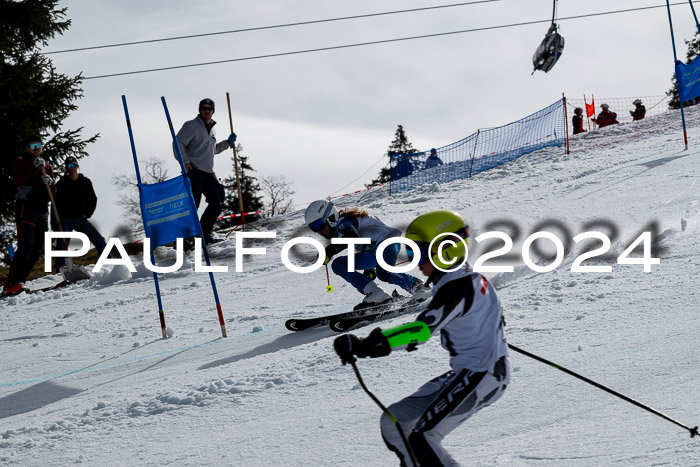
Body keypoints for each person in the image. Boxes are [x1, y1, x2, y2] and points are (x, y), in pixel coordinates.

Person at [333, 210, 510, 466]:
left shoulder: (456, 288)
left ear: (444, 249)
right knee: (395, 422)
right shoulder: (461, 279)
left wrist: (368, 344)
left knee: (423, 437)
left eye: (420, 250)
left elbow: (421, 331)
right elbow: (491, 314)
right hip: (468, 373)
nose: (416, 260)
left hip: (483, 375)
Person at [305, 200, 429, 309]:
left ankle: (419, 287)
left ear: (331, 218)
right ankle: (376, 293)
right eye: (313, 228)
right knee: (339, 264)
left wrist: (330, 250)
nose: (318, 231)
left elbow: (352, 237)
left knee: (384, 273)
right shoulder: (338, 230)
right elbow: (366, 242)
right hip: (375, 251)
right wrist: (369, 268)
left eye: (319, 225)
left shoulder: (345, 222)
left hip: (387, 244)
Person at [174, 98, 237, 244]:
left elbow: (211, 150)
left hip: (208, 172)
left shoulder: (212, 129)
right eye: (204, 108)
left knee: (218, 200)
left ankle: (203, 235)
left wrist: (227, 143)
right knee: (192, 206)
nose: (206, 111)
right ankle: (182, 241)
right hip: (194, 170)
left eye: (209, 108)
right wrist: (185, 162)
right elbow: (178, 143)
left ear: (213, 111)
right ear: (199, 110)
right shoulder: (191, 125)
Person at [3, 135, 57, 296]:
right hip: (26, 206)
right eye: (32, 145)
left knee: (38, 248)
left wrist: (51, 183)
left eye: (38, 145)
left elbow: (53, 193)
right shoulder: (21, 161)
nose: (36, 148)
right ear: (27, 148)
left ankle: (20, 281)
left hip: (42, 209)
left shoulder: (46, 165)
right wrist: (34, 167)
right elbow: (19, 180)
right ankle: (11, 284)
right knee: (26, 244)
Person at [52, 156, 109, 271]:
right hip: (66, 220)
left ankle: (110, 262)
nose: (72, 168)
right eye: (69, 166)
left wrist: (87, 214)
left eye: (74, 165)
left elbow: (93, 199)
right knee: (62, 245)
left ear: (77, 166)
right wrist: (54, 224)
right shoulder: (61, 184)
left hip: (81, 219)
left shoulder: (85, 182)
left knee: (99, 239)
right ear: (66, 169)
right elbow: (54, 205)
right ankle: (59, 271)